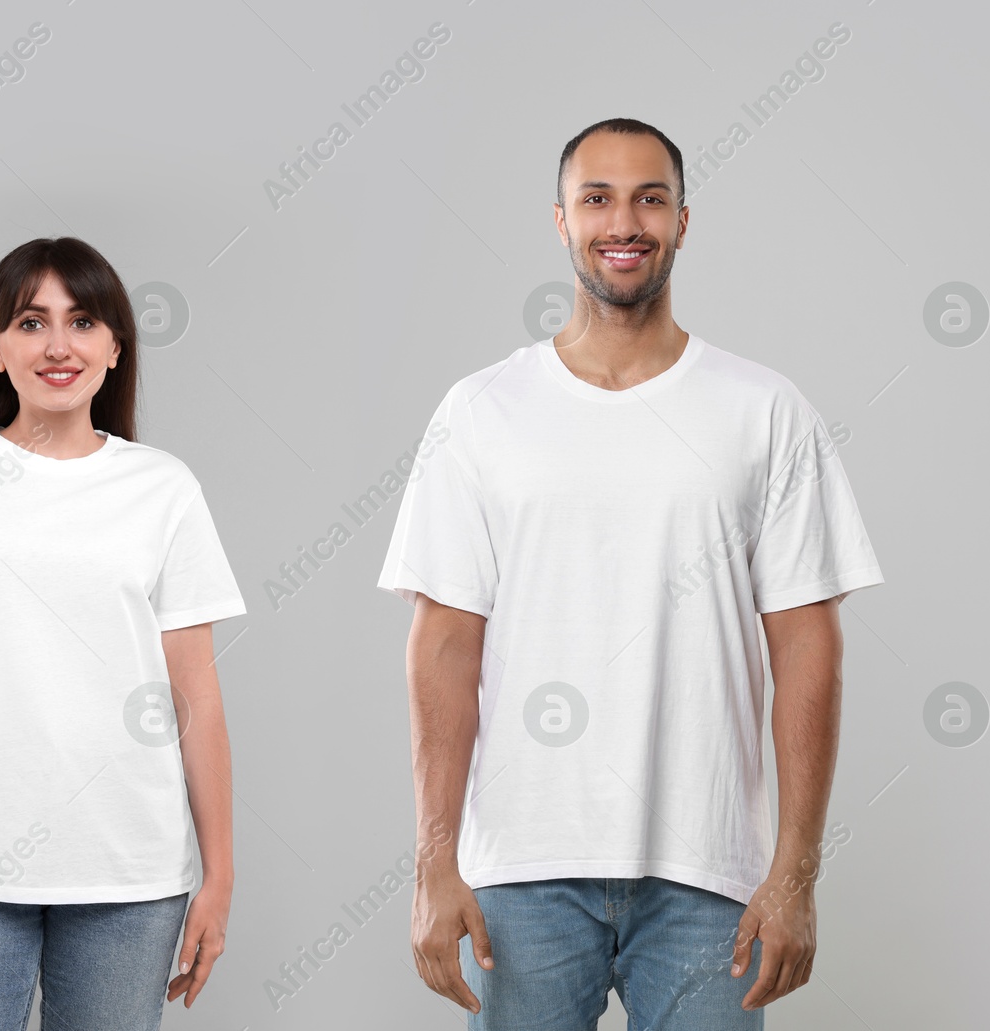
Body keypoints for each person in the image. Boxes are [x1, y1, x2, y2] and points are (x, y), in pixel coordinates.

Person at [377, 117, 885, 1029]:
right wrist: (433, 864)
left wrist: (796, 871)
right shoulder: (482, 411)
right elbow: (444, 648)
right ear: (561, 220)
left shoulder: (764, 411)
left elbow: (810, 649)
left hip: (709, 878)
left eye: (650, 198)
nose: (625, 221)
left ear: (684, 220)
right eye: (598, 198)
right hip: (524, 875)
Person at [0, 237, 246, 1029]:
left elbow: (194, 688)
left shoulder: (162, 488)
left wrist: (221, 874)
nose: (59, 345)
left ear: (114, 346)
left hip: (129, 872)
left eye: (83, 320)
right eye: (31, 322)